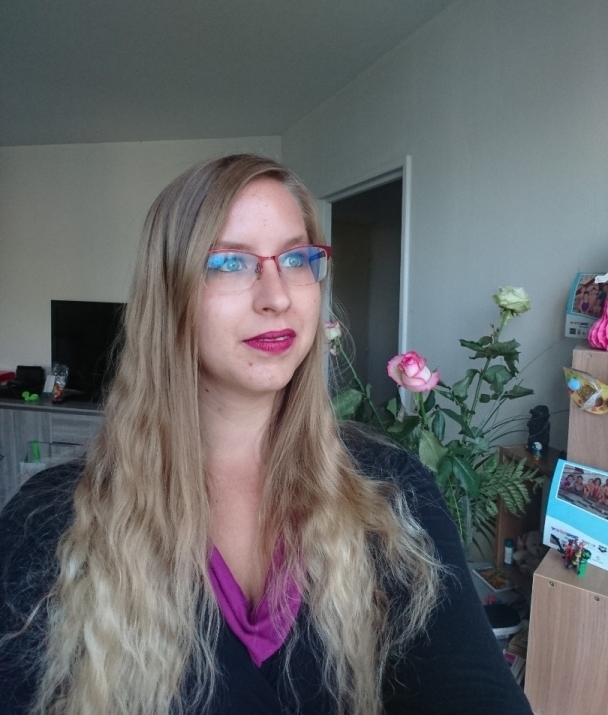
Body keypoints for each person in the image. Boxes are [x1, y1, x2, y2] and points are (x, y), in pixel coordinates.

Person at [0, 155, 532, 714]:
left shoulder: (392, 491)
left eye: (297, 258)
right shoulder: (50, 524)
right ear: (169, 292)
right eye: (231, 262)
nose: (276, 296)